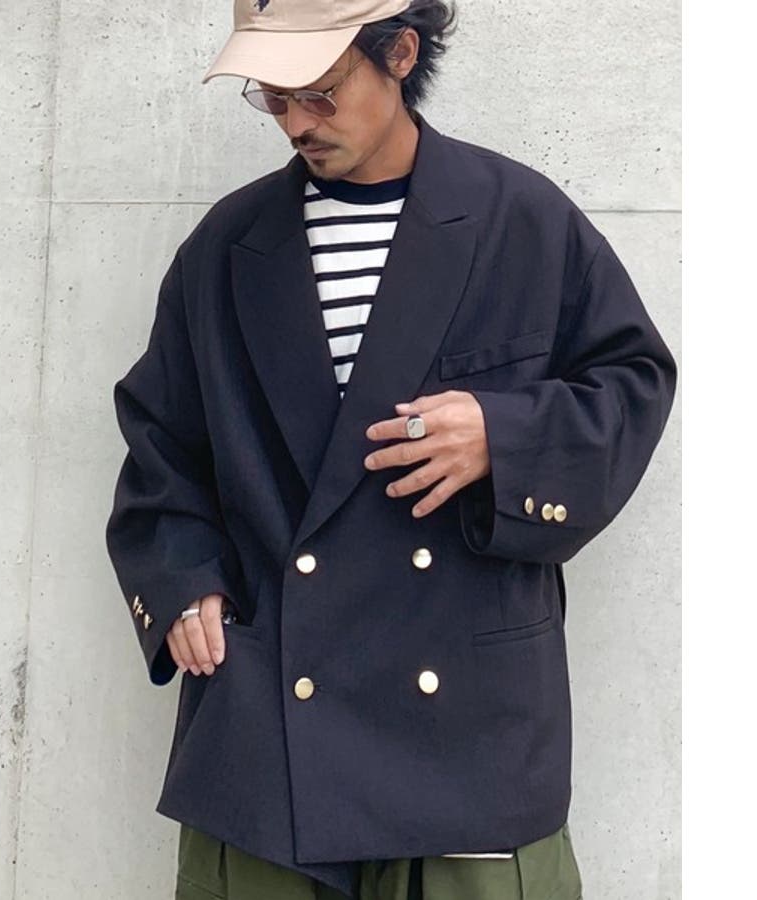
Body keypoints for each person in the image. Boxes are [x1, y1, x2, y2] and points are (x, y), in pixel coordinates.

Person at [105, 1, 677, 898]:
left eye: (319, 91)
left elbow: (633, 383)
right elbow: (162, 442)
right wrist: (182, 580)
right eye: (273, 96)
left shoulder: (520, 220)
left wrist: (502, 435)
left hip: (466, 737)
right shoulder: (226, 247)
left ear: (400, 54)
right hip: (270, 724)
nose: (296, 122)